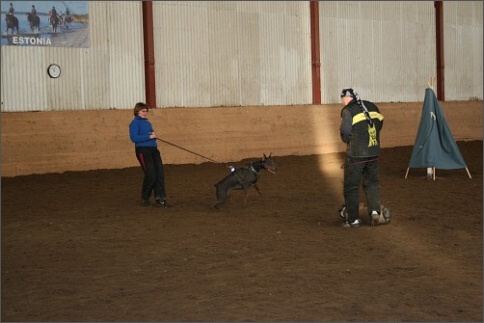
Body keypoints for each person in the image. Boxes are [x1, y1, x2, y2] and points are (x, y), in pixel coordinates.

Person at [338, 88, 388, 228]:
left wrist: (348, 140)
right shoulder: (371, 105)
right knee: (372, 183)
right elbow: (380, 123)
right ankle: (374, 213)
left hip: (356, 154)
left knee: (352, 186)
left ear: (345, 98)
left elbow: (345, 131)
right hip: (374, 151)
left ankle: (353, 220)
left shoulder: (348, 111)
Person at [129, 102, 168, 207]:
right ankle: (145, 197)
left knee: (160, 172)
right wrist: (148, 136)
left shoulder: (148, 123)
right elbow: (134, 138)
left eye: (146, 111)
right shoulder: (134, 123)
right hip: (143, 150)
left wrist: (154, 136)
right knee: (151, 173)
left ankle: (160, 197)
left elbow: (152, 133)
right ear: (137, 111)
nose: (145, 113)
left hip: (153, 149)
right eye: (143, 111)